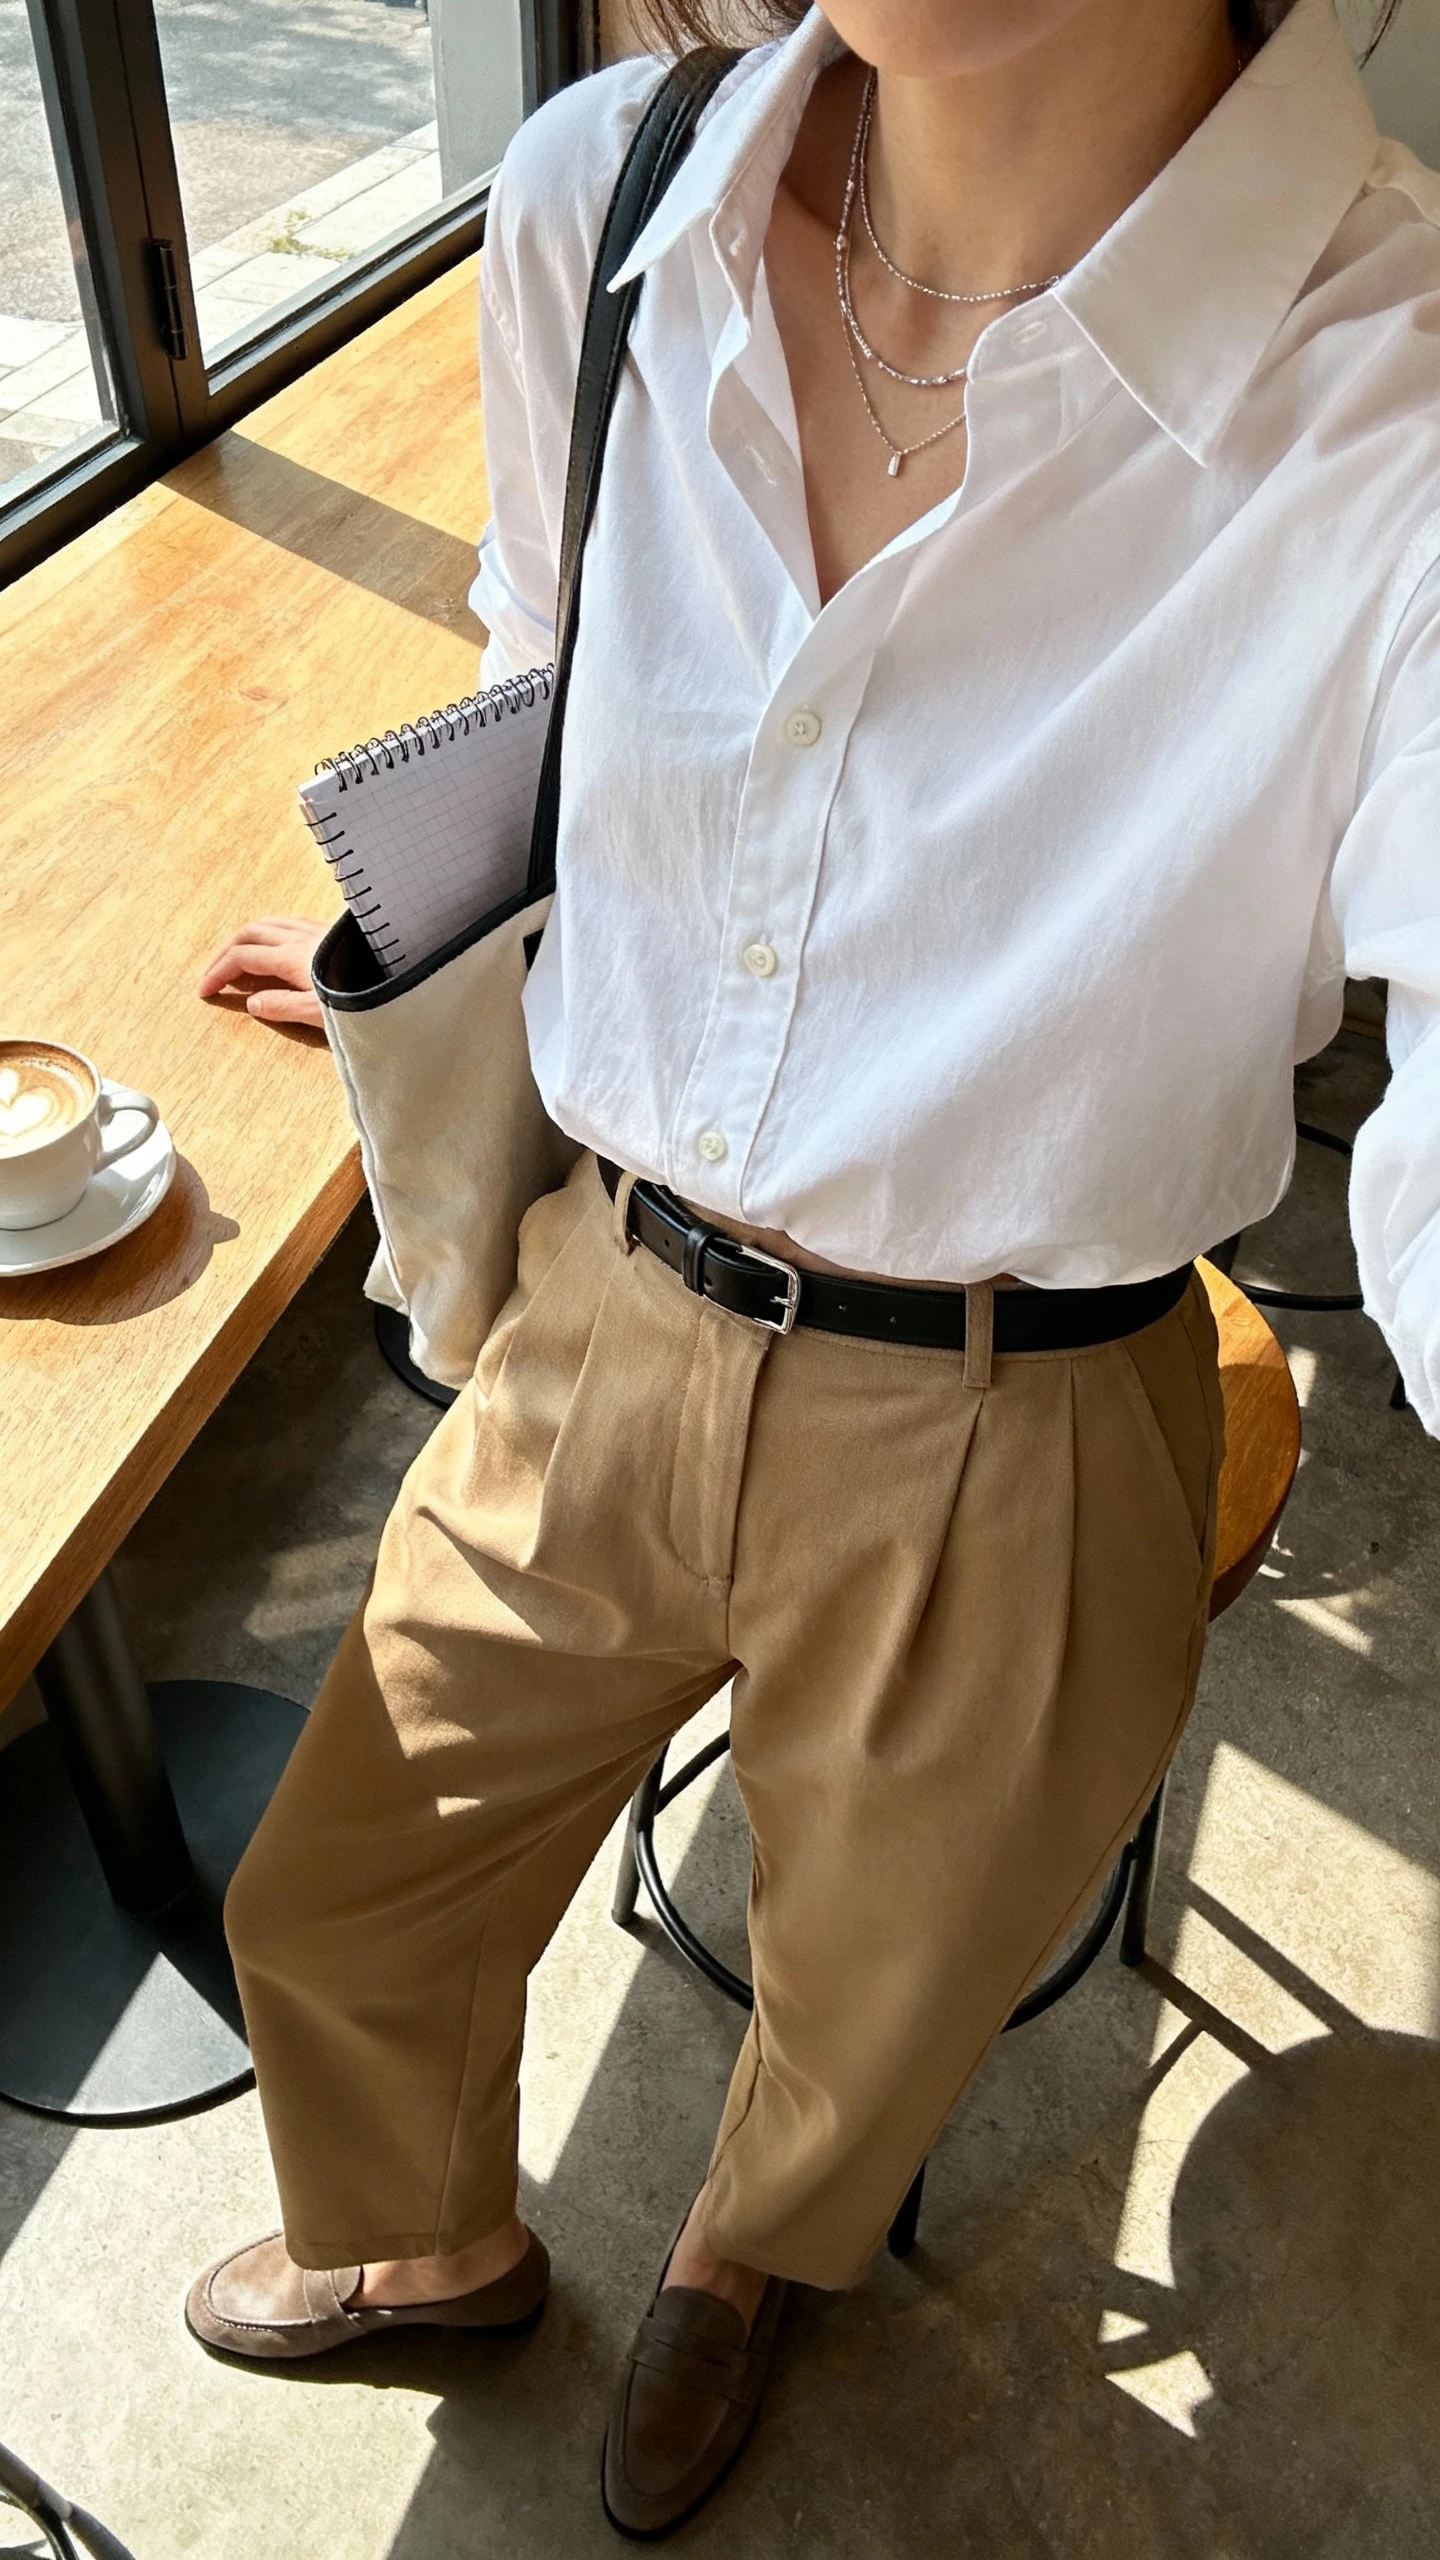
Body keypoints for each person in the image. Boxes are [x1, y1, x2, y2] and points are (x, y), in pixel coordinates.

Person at [189, 0, 1439, 2537]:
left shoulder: (1391, 406)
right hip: (604, 1307)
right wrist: (421, 905)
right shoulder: (602, 196)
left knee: (875, 2004)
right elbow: (553, 653)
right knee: (340, 1883)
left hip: (1029, 1412)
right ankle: (423, 2243)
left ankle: (752, 2259)